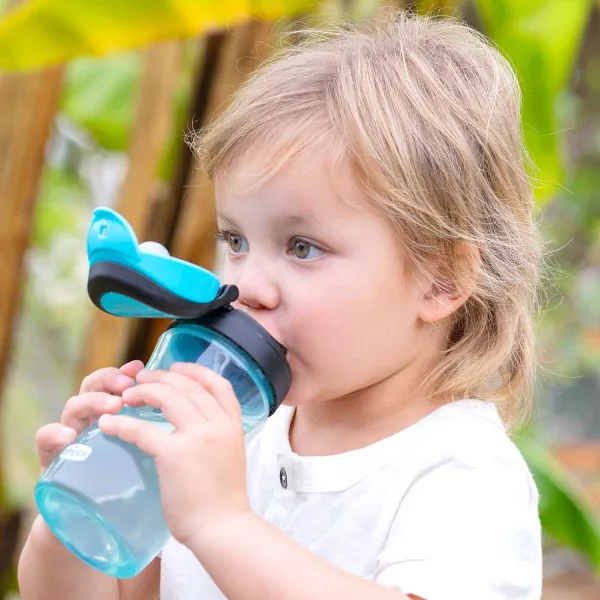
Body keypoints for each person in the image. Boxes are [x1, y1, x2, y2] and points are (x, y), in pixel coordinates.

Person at [18, 10, 545, 600]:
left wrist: (221, 523)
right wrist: (87, 501)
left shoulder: (460, 471)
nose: (248, 287)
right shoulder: (230, 434)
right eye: (235, 241)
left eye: (302, 247)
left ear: (440, 280)